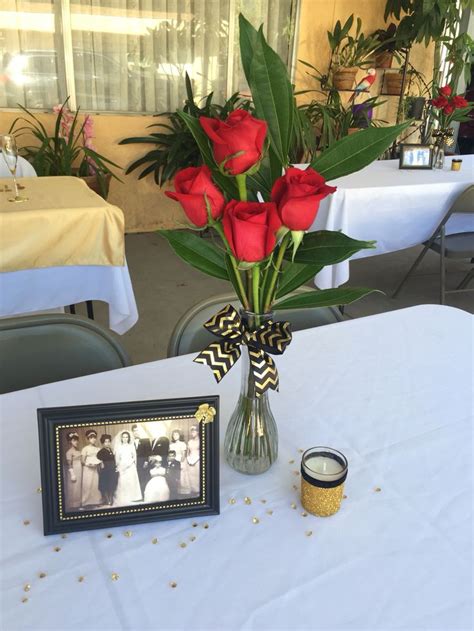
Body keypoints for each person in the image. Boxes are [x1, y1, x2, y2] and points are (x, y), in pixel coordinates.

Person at [114, 431, 142, 505]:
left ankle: (133, 497)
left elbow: (134, 456)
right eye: (124, 437)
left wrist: (134, 465)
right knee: (123, 481)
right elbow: (117, 458)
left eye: (126, 437)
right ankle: (125, 497)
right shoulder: (119, 447)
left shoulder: (131, 446)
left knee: (131, 481)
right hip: (122, 465)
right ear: (121, 438)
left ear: (128, 438)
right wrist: (119, 466)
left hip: (131, 465)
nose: (125, 438)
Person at [81, 430, 102, 508]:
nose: (93, 439)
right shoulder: (85, 448)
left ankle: (96, 501)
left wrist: (98, 463)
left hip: (95, 468)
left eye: (94, 438)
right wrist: (88, 464)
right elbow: (82, 461)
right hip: (87, 469)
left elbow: (100, 459)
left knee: (95, 485)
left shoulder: (97, 449)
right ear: (88, 439)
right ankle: (85, 502)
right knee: (88, 485)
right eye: (91, 438)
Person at [97, 434, 118, 506]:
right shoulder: (101, 451)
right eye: (105, 442)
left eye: (109, 441)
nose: (107, 443)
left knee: (112, 484)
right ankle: (107, 500)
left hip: (112, 469)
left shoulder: (111, 450)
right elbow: (98, 459)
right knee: (105, 485)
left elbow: (114, 460)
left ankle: (111, 498)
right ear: (103, 443)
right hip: (106, 470)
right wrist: (102, 463)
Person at [131, 424, 151, 498]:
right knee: (136, 479)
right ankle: (137, 495)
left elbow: (148, 452)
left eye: (137, 430)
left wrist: (146, 462)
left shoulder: (146, 440)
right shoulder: (131, 441)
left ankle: (144, 495)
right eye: (134, 431)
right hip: (134, 464)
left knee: (143, 478)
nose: (136, 432)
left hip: (143, 463)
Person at [180, 425, 200, 496]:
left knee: (197, 475)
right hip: (190, 459)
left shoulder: (200, 441)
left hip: (198, 459)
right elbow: (188, 452)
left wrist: (197, 458)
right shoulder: (190, 441)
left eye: (194, 431)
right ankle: (192, 490)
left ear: (197, 432)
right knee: (190, 476)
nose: (192, 433)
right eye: (191, 431)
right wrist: (188, 458)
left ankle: (198, 491)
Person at [64, 431, 82, 511]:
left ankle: (79, 504)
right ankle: (74, 505)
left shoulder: (78, 451)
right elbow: (69, 464)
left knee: (79, 487)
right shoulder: (69, 452)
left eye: (76, 440)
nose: (76, 442)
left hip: (80, 469)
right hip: (74, 470)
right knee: (74, 487)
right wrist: (72, 474)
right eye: (74, 440)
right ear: (70, 442)